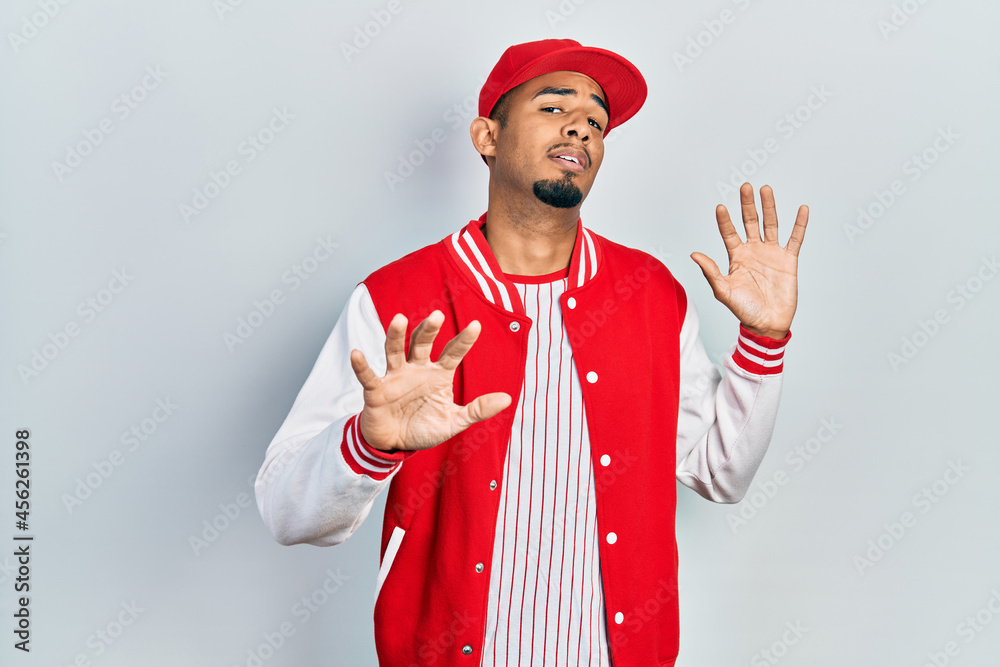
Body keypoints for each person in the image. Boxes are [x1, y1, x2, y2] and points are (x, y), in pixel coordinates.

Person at [254, 38, 809, 667]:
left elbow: (721, 473)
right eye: (554, 107)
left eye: (596, 120)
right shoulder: (395, 298)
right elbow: (286, 512)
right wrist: (368, 443)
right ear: (487, 137)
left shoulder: (649, 294)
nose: (581, 126)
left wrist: (764, 341)